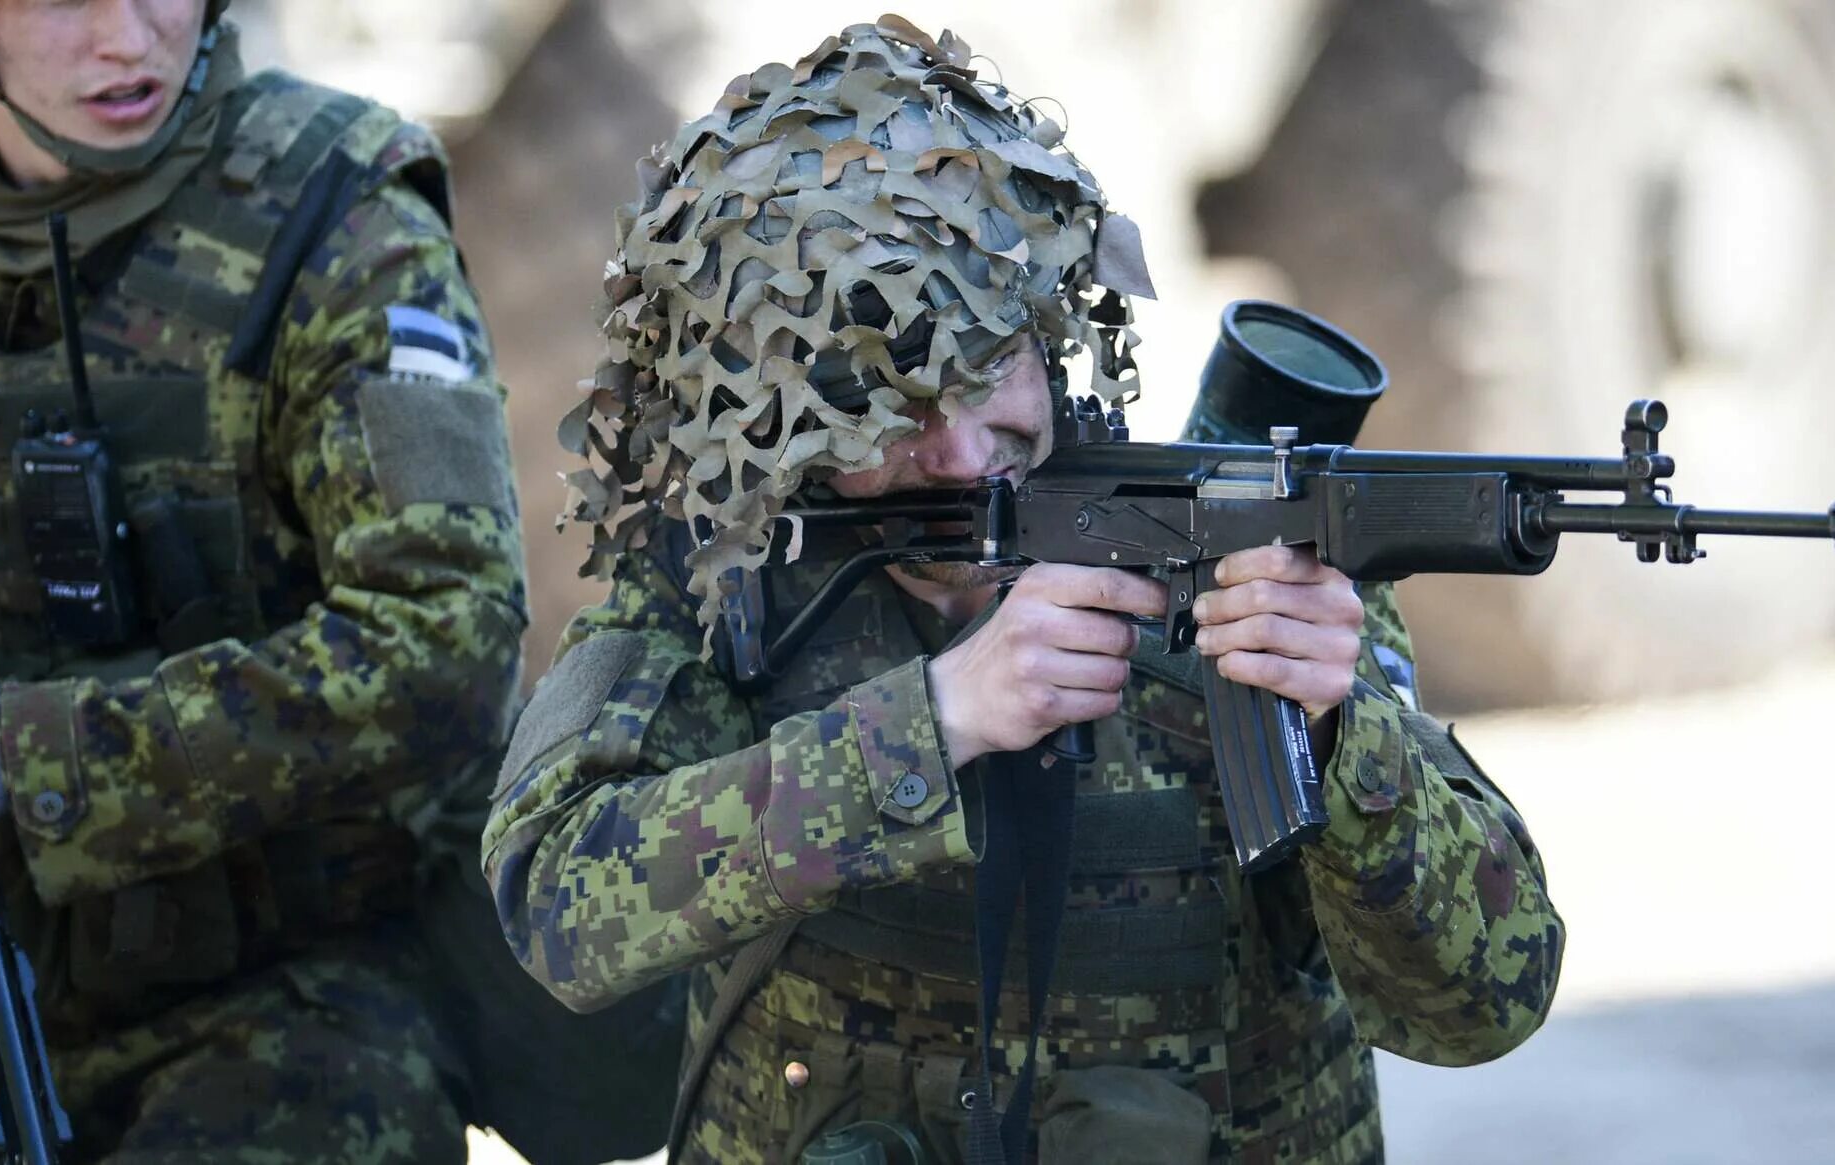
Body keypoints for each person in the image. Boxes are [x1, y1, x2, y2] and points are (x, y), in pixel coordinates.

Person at [485, 17, 1564, 1164]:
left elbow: (1484, 1000)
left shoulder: (1237, 554)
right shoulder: (732, 574)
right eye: (885, 408)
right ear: (782, 418)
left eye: (980, 368)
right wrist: (931, 724)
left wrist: (1347, 736)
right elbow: (556, 910)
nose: (955, 454)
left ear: (1045, 332)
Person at [0, 0, 529, 1159]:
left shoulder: (345, 224)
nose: (130, 41)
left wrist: (16, 750)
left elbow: (452, 644)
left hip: (285, 994)